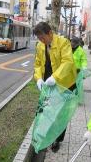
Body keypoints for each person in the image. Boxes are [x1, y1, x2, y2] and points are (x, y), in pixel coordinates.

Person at [33, 22, 77, 152]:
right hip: (48, 85)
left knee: (61, 114)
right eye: (39, 39)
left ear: (50, 33)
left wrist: (55, 77)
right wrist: (38, 78)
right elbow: (38, 64)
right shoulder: (40, 46)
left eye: (43, 38)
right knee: (46, 111)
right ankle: (46, 136)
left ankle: (58, 139)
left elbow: (68, 62)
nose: (41, 41)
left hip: (65, 84)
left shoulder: (63, 42)